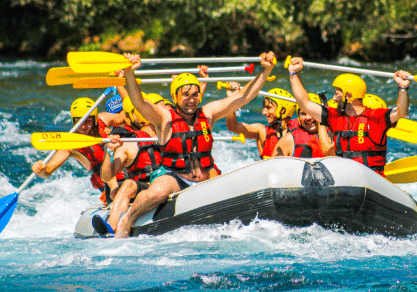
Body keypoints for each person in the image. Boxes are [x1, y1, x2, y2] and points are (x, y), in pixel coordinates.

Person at [115, 52, 277, 238]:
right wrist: (129, 72)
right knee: (156, 193)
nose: (191, 100)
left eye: (195, 95)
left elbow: (243, 97)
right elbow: (139, 102)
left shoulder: (208, 113)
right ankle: (127, 218)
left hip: (204, 177)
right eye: (185, 95)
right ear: (175, 97)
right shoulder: (164, 117)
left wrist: (266, 70)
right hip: (175, 177)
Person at [286, 56, 411, 176]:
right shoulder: (334, 117)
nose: (333, 99)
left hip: (371, 181)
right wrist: (293, 73)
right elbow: (304, 103)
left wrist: (403, 88)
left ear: (348, 96)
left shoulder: (375, 117)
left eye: (337, 94)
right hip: (345, 179)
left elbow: (401, 112)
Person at [92, 96, 161, 236]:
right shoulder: (125, 138)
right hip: (142, 185)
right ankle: (112, 228)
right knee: (128, 185)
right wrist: (108, 151)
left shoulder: (169, 131)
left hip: (167, 182)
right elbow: (106, 176)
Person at [31, 98, 121, 203]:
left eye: (87, 121)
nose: (83, 126)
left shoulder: (104, 119)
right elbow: (47, 172)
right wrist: (41, 171)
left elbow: (129, 119)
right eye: (79, 121)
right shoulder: (71, 146)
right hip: (109, 187)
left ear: (95, 119)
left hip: (126, 171)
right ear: (73, 120)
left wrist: (118, 131)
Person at [225, 86, 297, 159]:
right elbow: (232, 126)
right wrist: (231, 98)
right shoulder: (261, 131)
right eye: (264, 107)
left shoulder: (297, 132)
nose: (264, 112)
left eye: (268, 108)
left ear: (282, 111)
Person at [272, 93, 334, 158]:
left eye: (312, 112)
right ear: (298, 117)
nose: (308, 118)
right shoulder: (289, 139)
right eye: (303, 114)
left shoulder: (332, 134)